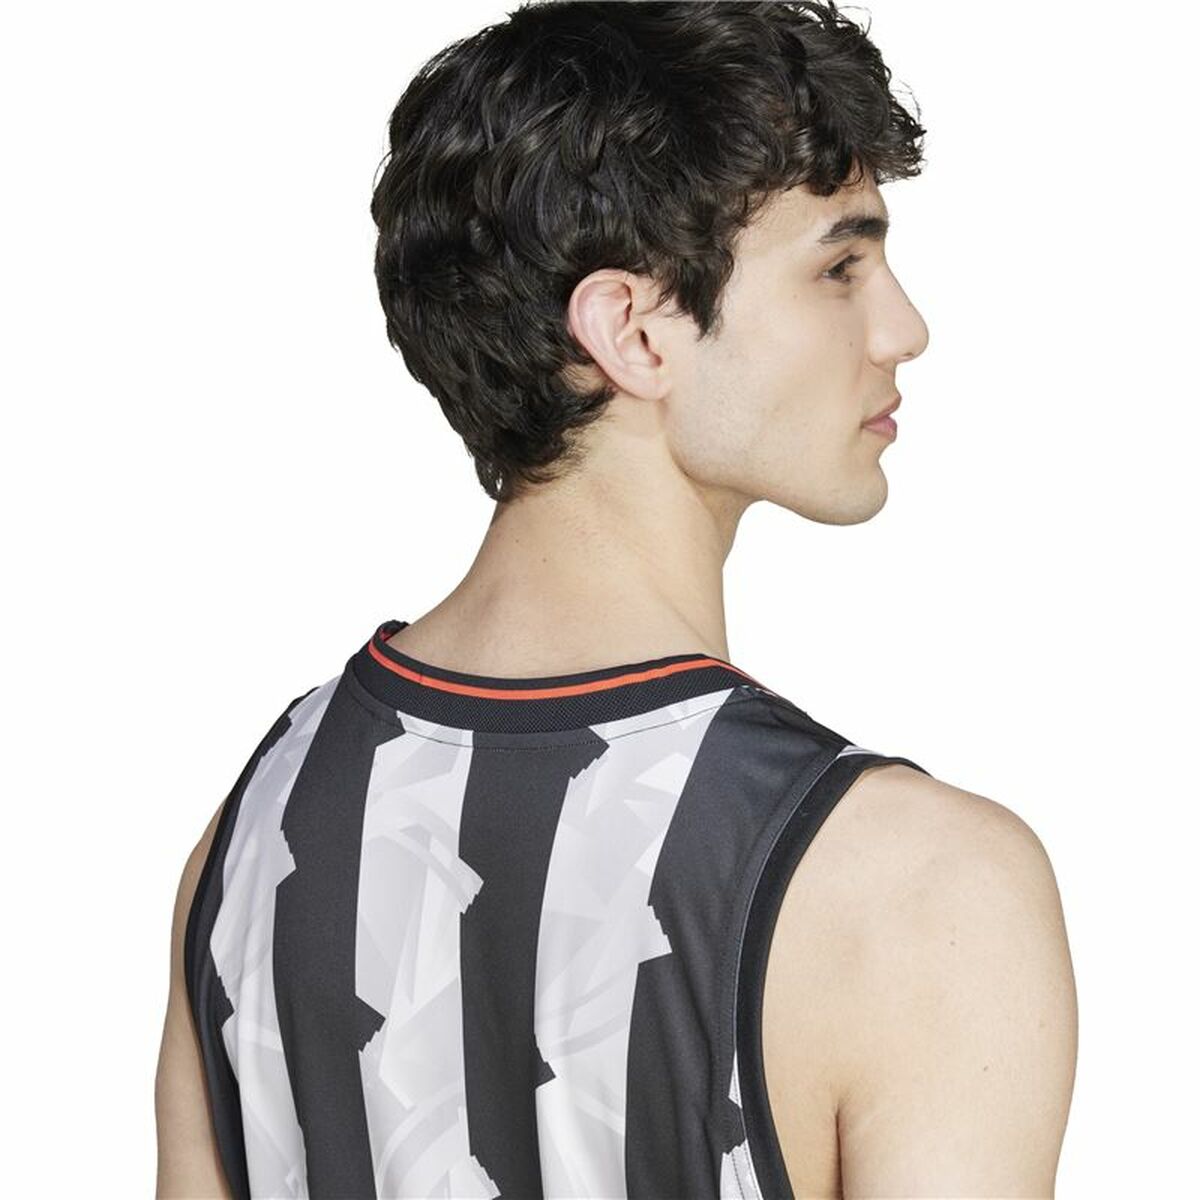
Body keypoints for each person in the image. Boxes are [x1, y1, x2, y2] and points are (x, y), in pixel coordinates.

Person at [155, 2, 1078, 1196]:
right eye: (839, 267)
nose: (904, 329)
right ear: (633, 332)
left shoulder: (257, 835)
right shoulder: (919, 890)